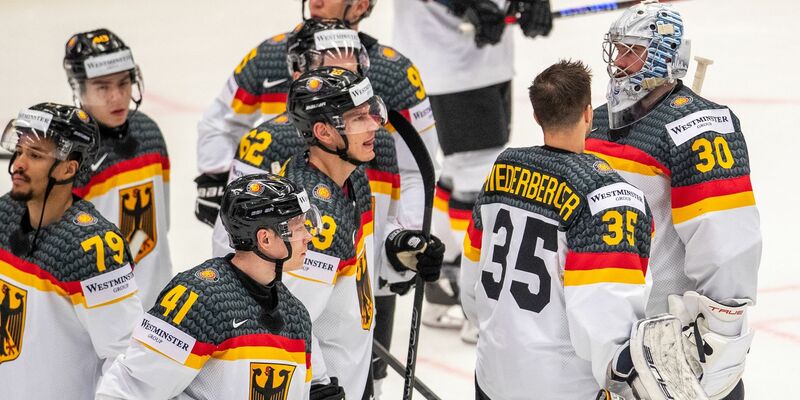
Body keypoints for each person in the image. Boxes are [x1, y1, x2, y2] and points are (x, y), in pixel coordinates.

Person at [586, 2, 760, 399]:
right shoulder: (593, 122)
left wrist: (719, 340)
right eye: (618, 49)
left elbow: (727, 244)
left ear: (665, 56)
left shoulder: (701, 130)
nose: (620, 62)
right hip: (611, 343)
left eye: (634, 51)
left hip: (670, 349)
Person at [276, 67, 443, 399]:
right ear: (323, 132)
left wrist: (399, 251)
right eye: (357, 119)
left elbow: (355, 271)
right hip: (328, 385)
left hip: (353, 369)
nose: (374, 125)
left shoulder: (353, 178)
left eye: (371, 112)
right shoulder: (313, 214)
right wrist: (317, 384)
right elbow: (289, 314)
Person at [392, 0, 552, 341]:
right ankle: (477, 303)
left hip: (488, 56)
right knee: (477, 174)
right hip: (444, 58)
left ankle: (444, 283)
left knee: (460, 171)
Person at [96, 173, 320, 399]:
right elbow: (125, 391)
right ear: (265, 239)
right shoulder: (198, 298)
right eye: (297, 227)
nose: (308, 236)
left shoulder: (296, 317)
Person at [0, 103, 142, 399]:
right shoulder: (4, 212)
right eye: (21, 150)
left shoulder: (93, 246)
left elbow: (124, 354)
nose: (18, 164)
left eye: (35, 155)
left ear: (68, 168)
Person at [64, 28, 172, 309]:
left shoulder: (148, 132)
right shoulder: (68, 153)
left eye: (124, 83)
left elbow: (162, 224)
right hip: (100, 311)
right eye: (103, 87)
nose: (117, 97)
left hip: (156, 308)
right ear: (78, 88)